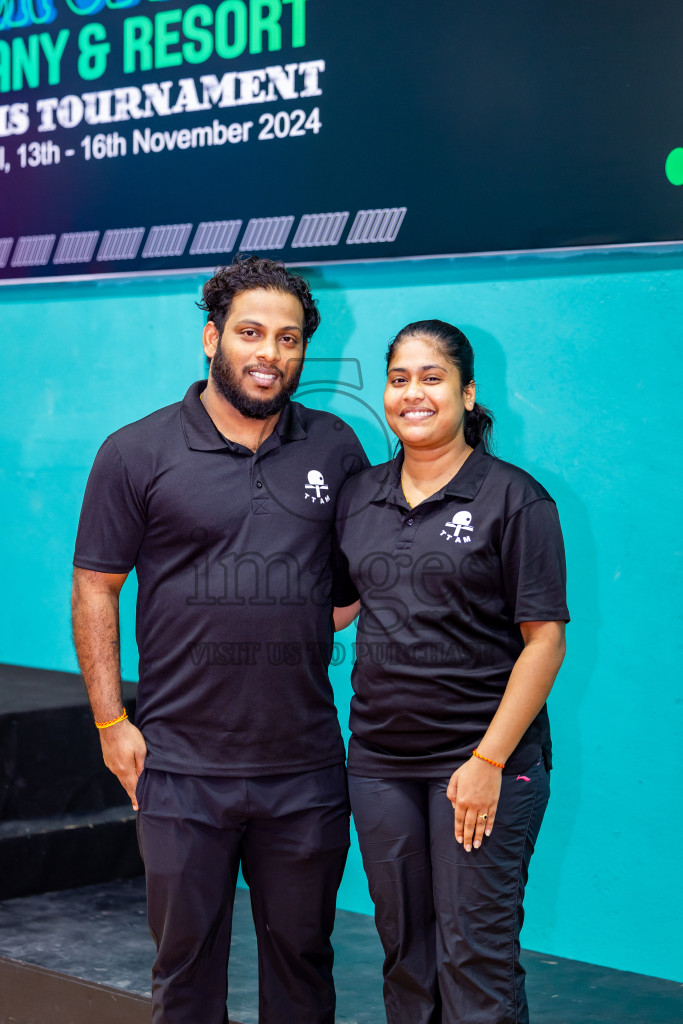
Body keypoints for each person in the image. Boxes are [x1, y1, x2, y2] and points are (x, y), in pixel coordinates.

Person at [71, 256, 367, 1024]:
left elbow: (347, 590)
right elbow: (95, 587)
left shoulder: (335, 448)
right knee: (187, 975)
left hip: (304, 768)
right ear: (212, 338)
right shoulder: (134, 451)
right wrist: (110, 723)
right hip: (180, 768)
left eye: (288, 338)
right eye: (250, 332)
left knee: (303, 969)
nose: (269, 352)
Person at [335, 320, 569, 1024]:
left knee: (474, 959)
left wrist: (487, 760)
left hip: (480, 765)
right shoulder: (360, 495)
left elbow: (544, 642)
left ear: (467, 393)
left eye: (431, 378)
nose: (412, 393)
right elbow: (339, 608)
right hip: (378, 763)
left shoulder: (513, 499)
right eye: (399, 378)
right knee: (405, 955)